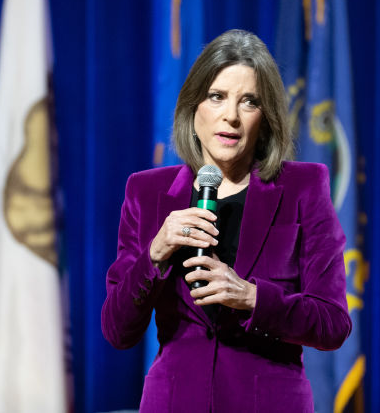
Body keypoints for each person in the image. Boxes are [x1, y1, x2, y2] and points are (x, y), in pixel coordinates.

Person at [101, 29, 351, 412]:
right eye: (217, 96)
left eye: (248, 101)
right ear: (193, 107)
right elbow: (118, 330)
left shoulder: (304, 187)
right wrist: (154, 254)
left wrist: (252, 297)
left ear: (264, 118)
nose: (230, 116)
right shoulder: (147, 192)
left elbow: (332, 323)